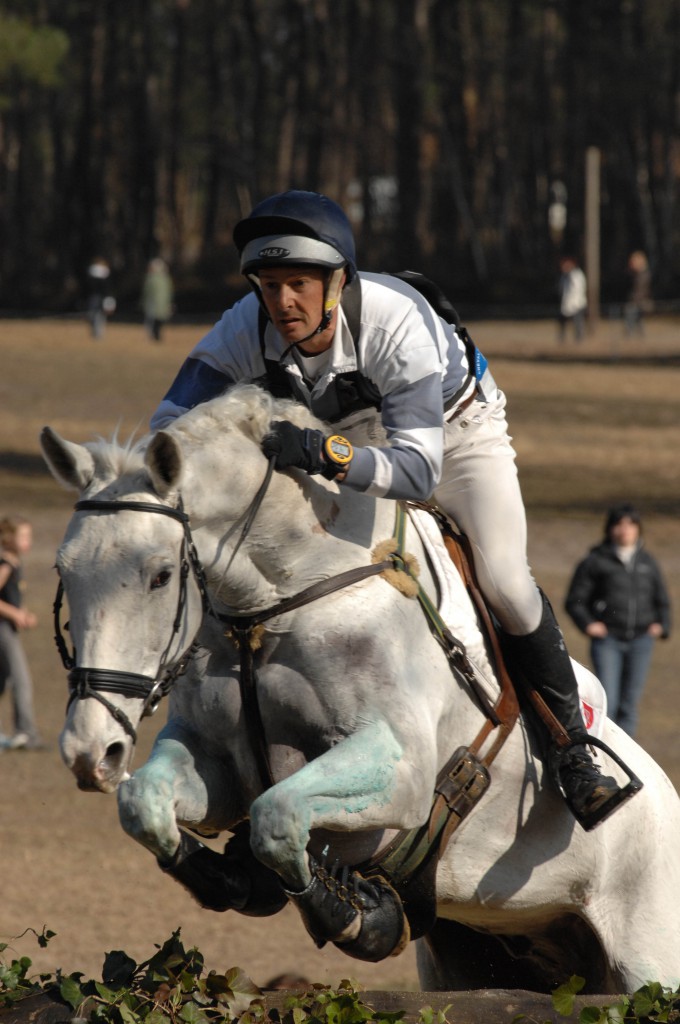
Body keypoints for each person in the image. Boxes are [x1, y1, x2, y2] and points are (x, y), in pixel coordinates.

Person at [150, 190, 625, 825]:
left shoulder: (392, 319)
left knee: (506, 582)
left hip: (455, 441)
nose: (282, 302)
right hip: (352, 443)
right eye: (268, 284)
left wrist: (319, 451)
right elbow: (169, 426)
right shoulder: (247, 324)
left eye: (298, 283)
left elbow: (418, 470)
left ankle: (574, 751)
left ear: (337, 280)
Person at [565, 504, 671, 738]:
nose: (625, 530)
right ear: (610, 529)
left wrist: (662, 624)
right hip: (608, 641)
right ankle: (603, 752)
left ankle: (625, 760)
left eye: (630, 524)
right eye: (619, 524)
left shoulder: (647, 562)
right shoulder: (595, 561)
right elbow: (575, 600)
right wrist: (588, 624)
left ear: (638, 529)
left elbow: (661, 598)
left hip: (641, 641)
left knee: (629, 704)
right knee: (607, 702)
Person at [0, 516, 45, 751]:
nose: (29, 541)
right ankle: (26, 733)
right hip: (3, 630)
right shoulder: (5, 564)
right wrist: (16, 616)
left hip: (7, 628)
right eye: (23, 536)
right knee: (21, 680)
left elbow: (11, 598)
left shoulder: (15, 563)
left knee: (3, 680)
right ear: (8, 539)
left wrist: (23, 613)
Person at [142, 257, 174, 342]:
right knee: (159, 320)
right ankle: (157, 335)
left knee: (152, 320)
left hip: (153, 303)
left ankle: (153, 335)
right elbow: (170, 291)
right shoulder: (166, 278)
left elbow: (147, 291)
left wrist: (143, 302)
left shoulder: (151, 278)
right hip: (163, 303)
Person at [557, 255, 587, 342]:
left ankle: (579, 339)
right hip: (566, 303)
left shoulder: (577, 275)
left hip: (577, 303)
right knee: (562, 321)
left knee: (578, 322)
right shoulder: (564, 276)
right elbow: (561, 289)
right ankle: (562, 338)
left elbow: (577, 289)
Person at [623, 250, 652, 337]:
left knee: (632, 317)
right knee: (638, 320)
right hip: (636, 300)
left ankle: (630, 335)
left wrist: (635, 301)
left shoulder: (643, 275)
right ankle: (638, 336)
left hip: (638, 301)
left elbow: (641, 291)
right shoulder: (635, 274)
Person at [86, 257, 115, 340]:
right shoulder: (105, 274)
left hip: (93, 297)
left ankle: (94, 332)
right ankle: (98, 333)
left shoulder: (91, 274)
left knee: (93, 315)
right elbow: (108, 289)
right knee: (100, 316)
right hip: (102, 297)